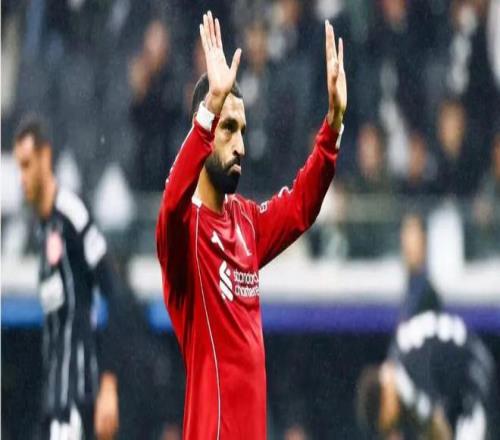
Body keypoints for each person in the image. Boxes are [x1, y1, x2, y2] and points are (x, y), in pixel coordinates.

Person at [156, 11, 346, 439]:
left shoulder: (245, 221)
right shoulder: (184, 234)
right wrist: (210, 108)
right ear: (204, 130)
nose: (241, 145)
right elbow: (170, 205)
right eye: (228, 129)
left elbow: (300, 206)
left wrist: (333, 125)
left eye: (242, 130)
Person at [13, 115, 120, 439]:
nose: (22, 177)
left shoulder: (72, 213)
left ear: (46, 156)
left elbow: (114, 291)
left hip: (78, 396)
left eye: (27, 165)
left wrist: (109, 383)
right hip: (54, 399)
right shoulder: (42, 228)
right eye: (19, 167)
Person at [356, 311, 498, 440]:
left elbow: (438, 426)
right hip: (466, 374)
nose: (394, 424)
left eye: (390, 424)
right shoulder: (399, 357)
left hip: (473, 379)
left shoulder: (405, 376)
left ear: (384, 399)